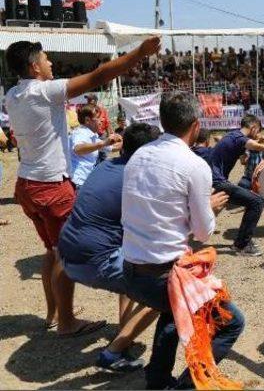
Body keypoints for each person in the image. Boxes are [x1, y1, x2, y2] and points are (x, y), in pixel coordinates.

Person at [4, 36, 160, 336]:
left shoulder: (13, 94)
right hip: (51, 185)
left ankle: (53, 314)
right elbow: (99, 76)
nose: (51, 64)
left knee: (52, 251)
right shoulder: (45, 91)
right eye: (46, 59)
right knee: (67, 253)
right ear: (35, 67)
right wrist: (139, 52)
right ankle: (66, 322)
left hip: (26, 184)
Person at [121, 93, 242, 389]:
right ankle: (187, 386)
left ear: (162, 121)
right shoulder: (193, 165)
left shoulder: (139, 154)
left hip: (131, 270)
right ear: (196, 125)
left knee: (173, 312)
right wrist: (210, 208)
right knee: (231, 322)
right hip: (163, 277)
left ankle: (157, 379)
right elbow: (203, 233)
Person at [59, 123, 161, 372]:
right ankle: (114, 353)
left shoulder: (105, 166)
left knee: (132, 265)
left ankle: (123, 330)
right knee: (164, 288)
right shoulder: (136, 178)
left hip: (65, 255)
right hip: (92, 262)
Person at [194, 114, 264, 257]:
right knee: (256, 202)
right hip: (218, 181)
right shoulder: (239, 138)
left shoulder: (233, 136)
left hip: (215, 181)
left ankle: (206, 231)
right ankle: (242, 245)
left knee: (223, 205)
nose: (258, 134)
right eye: (258, 130)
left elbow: (241, 156)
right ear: (253, 127)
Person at [69, 104, 122, 189]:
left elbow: (113, 148)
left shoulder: (92, 136)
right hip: (78, 183)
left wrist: (125, 139)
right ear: (87, 120)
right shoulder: (81, 132)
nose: (101, 121)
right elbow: (78, 149)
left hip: (84, 182)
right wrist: (103, 143)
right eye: (98, 118)